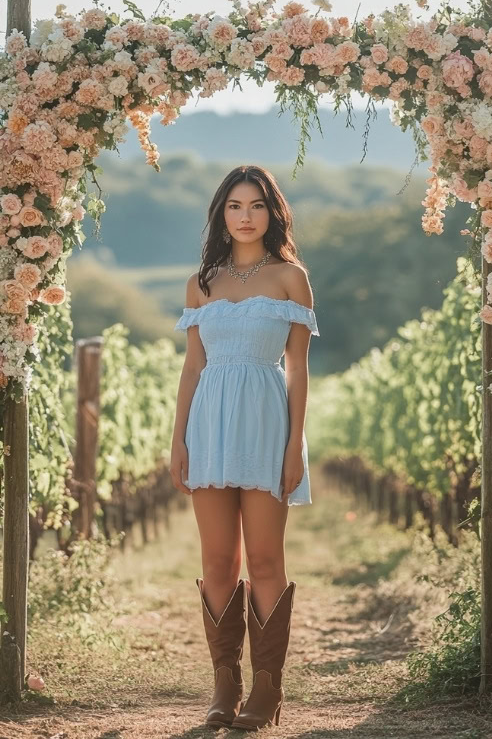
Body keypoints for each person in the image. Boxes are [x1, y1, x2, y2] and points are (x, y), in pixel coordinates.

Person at [170, 164, 319, 730]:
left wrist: (293, 445)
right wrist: (178, 439)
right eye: (235, 205)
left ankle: (266, 690)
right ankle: (224, 684)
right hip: (208, 424)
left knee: (262, 559)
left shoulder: (290, 277)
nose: (245, 216)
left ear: (271, 212)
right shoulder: (201, 283)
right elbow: (192, 367)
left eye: (256, 205)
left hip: (265, 423)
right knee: (217, 560)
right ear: (221, 214)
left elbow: (299, 369)